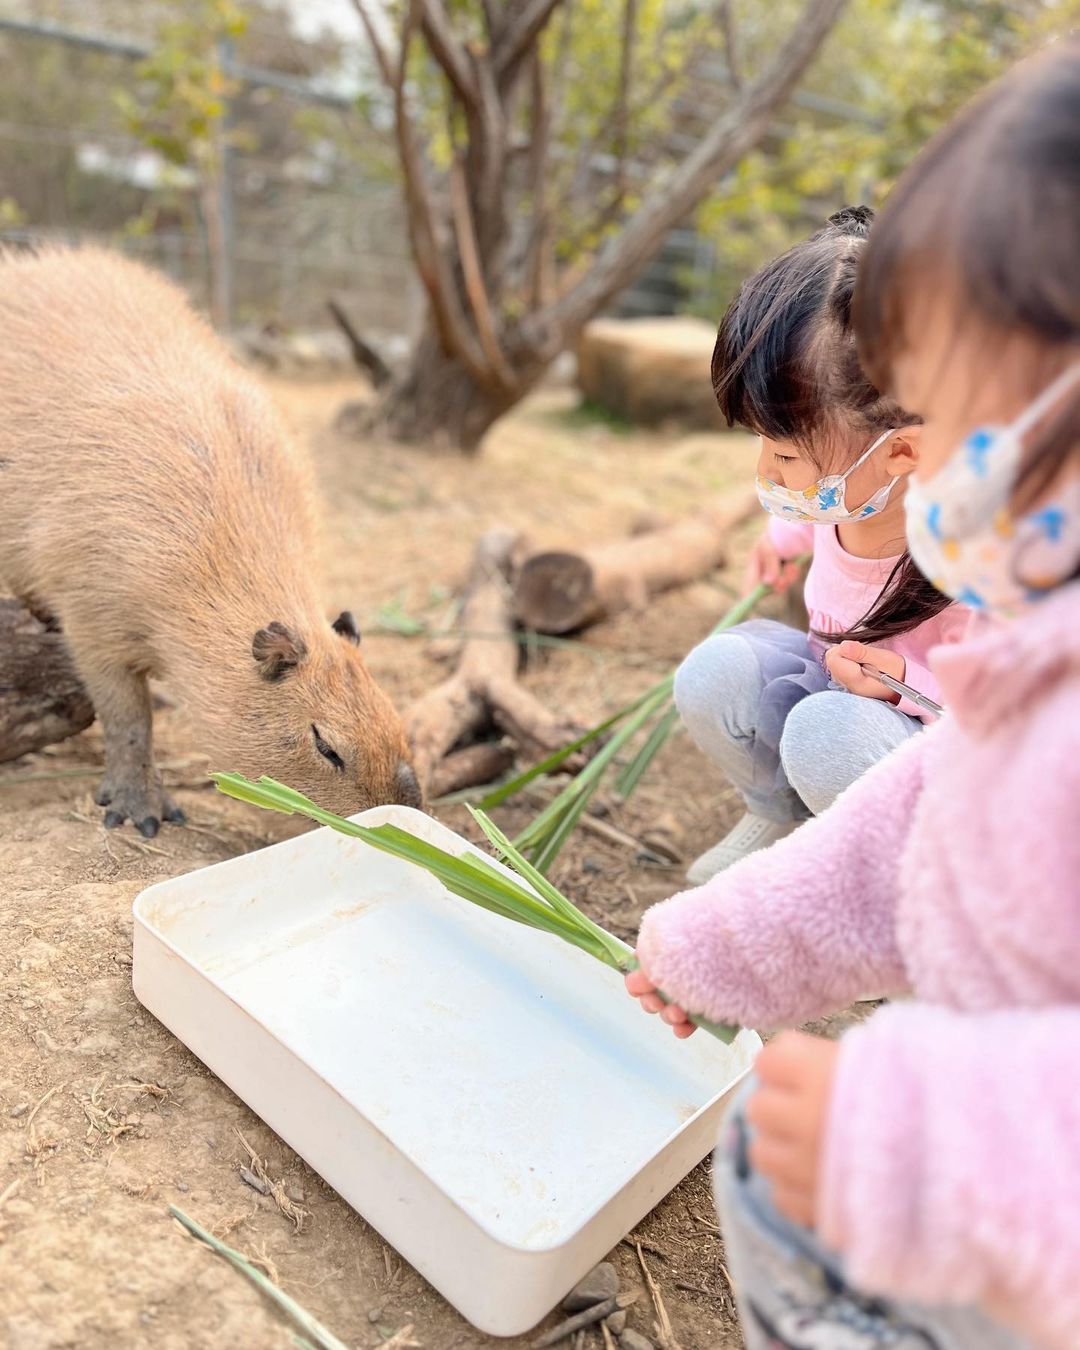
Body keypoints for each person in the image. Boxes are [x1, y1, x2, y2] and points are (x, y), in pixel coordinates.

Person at [627, 38, 1080, 1350]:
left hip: (1017, 1212)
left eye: (968, 414)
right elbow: (913, 838)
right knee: (765, 1169)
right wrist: (716, 947)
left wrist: (909, 1126)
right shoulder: (1039, 654)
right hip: (990, 1169)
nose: (930, 467)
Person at [677, 207, 968, 883]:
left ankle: (911, 892)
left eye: (783, 454)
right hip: (831, 691)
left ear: (900, 449)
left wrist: (907, 689)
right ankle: (779, 813)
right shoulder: (855, 482)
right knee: (715, 672)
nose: (764, 473)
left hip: (939, 754)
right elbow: (816, 510)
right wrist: (782, 533)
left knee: (826, 736)